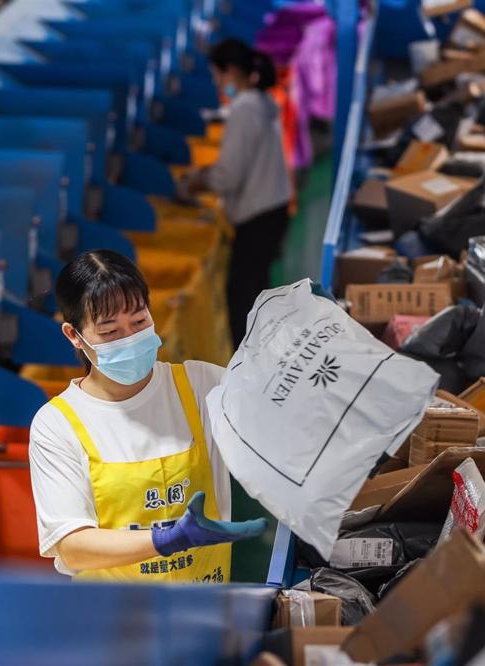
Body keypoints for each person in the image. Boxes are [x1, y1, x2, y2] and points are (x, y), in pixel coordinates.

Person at [28, 250, 267, 582]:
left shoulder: (199, 386)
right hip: (112, 625)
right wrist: (165, 540)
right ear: (74, 335)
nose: (129, 339)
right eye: (110, 332)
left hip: (205, 609)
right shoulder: (57, 424)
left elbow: (280, 413)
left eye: (139, 322)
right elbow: (71, 544)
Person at [186, 38, 292, 347]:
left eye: (217, 75)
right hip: (273, 209)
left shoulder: (244, 109)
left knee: (241, 300)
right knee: (257, 291)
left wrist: (197, 180)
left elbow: (228, 176)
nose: (217, 83)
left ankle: (249, 367)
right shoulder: (260, 101)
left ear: (231, 71)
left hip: (258, 218)